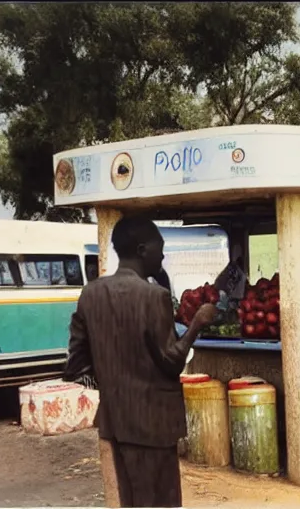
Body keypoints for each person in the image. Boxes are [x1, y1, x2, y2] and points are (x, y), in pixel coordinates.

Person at [63, 216, 217, 508]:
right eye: (160, 248)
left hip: (117, 421)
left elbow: (75, 366)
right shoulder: (153, 297)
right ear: (143, 249)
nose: (163, 255)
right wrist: (198, 323)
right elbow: (171, 361)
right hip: (153, 424)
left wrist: (112, 386)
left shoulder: (91, 293)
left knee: (133, 499)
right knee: (162, 500)